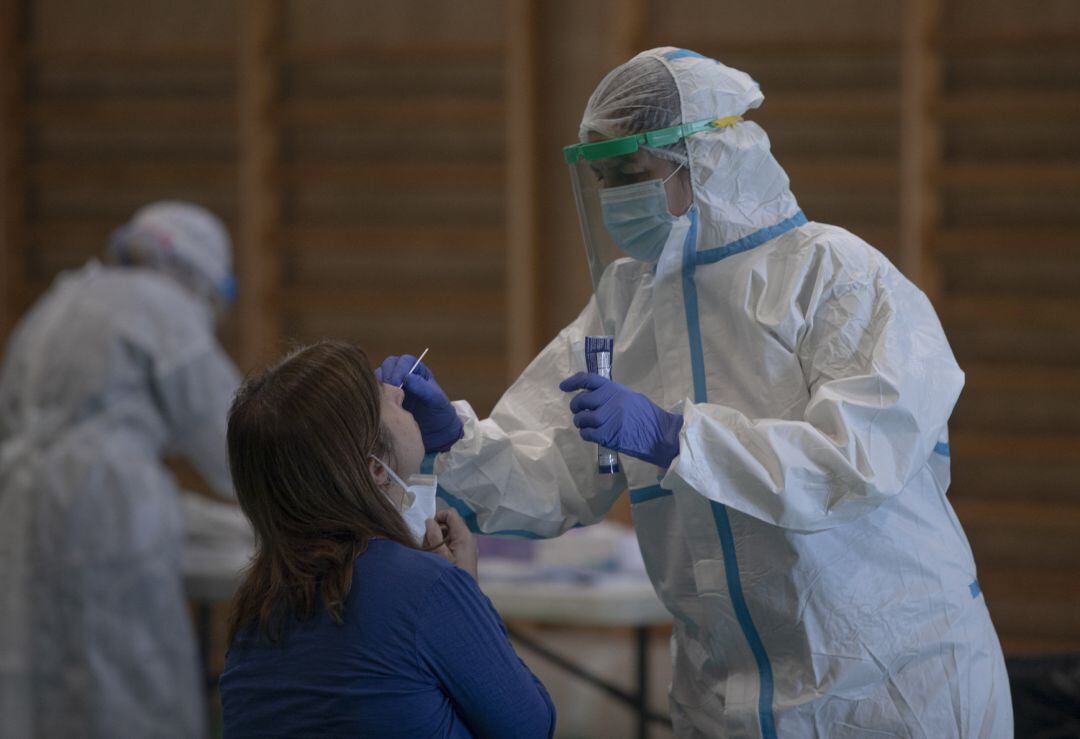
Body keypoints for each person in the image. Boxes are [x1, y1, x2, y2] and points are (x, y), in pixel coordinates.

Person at [376, 48, 1012, 737]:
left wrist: (676, 436)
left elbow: (857, 456)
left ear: (707, 156)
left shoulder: (841, 279)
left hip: (888, 690)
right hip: (724, 700)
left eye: (632, 172)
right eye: (604, 178)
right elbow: (558, 470)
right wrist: (454, 440)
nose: (617, 195)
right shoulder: (626, 304)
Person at [218, 341, 555, 739]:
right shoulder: (429, 588)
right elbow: (532, 727)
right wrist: (467, 594)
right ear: (376, 469)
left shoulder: (256, 606)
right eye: (385, 400)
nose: (399, 391)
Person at [0, 201, 241, 738]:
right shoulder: (164, 308)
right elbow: (236, 443)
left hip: (17, 507)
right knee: (128, 678)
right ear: (201, 276)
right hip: (105, 509)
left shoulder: (61, 299)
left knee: (34, 684)